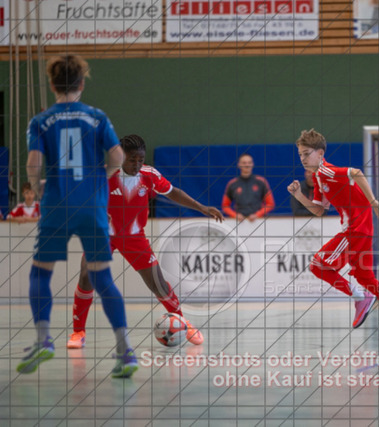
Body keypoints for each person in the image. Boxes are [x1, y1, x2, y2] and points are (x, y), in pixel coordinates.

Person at [17, 54, 137, 378]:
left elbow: (33, 164)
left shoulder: (40, 121)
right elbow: (117, 157)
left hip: (57, 204)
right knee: (102, 278)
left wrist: (39, 189)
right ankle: (125, 351)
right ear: (81, 84)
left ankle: (43, 339)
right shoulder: (97, 117)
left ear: (52, 84)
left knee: (40, 274)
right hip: (92, 206)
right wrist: (100, 178)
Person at [67, 134, 224, 349]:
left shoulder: (149, 175)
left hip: (134, 237)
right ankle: (78, 332)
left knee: (157, 283)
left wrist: (201, 207)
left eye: (140, 159)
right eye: (132, 159)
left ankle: (181, 322)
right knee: (86, 276)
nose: (137, 164)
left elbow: (173, 193)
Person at [288, 129, 379, 332]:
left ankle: (360, 297)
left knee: (317, 265)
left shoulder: (325, 171)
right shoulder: (319, 177)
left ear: (320, 153)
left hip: (355, 229)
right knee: (367, 279)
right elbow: (320, 210)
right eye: (300, 154)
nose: (302, 158)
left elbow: (356, 173)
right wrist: (300, 196)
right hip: (363, 229)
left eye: (306, 153)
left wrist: (373, 201)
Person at [222, 153, 275, 221]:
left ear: (252, 164)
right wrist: (235, 215)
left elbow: (270, 204)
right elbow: (225, 206)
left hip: (258, 221)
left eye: (249, 162)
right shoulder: (232, 184)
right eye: (244, 163)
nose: (247, 165)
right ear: (239, 165)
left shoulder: (261, 182)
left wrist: (257, 215)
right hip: (239, 222)